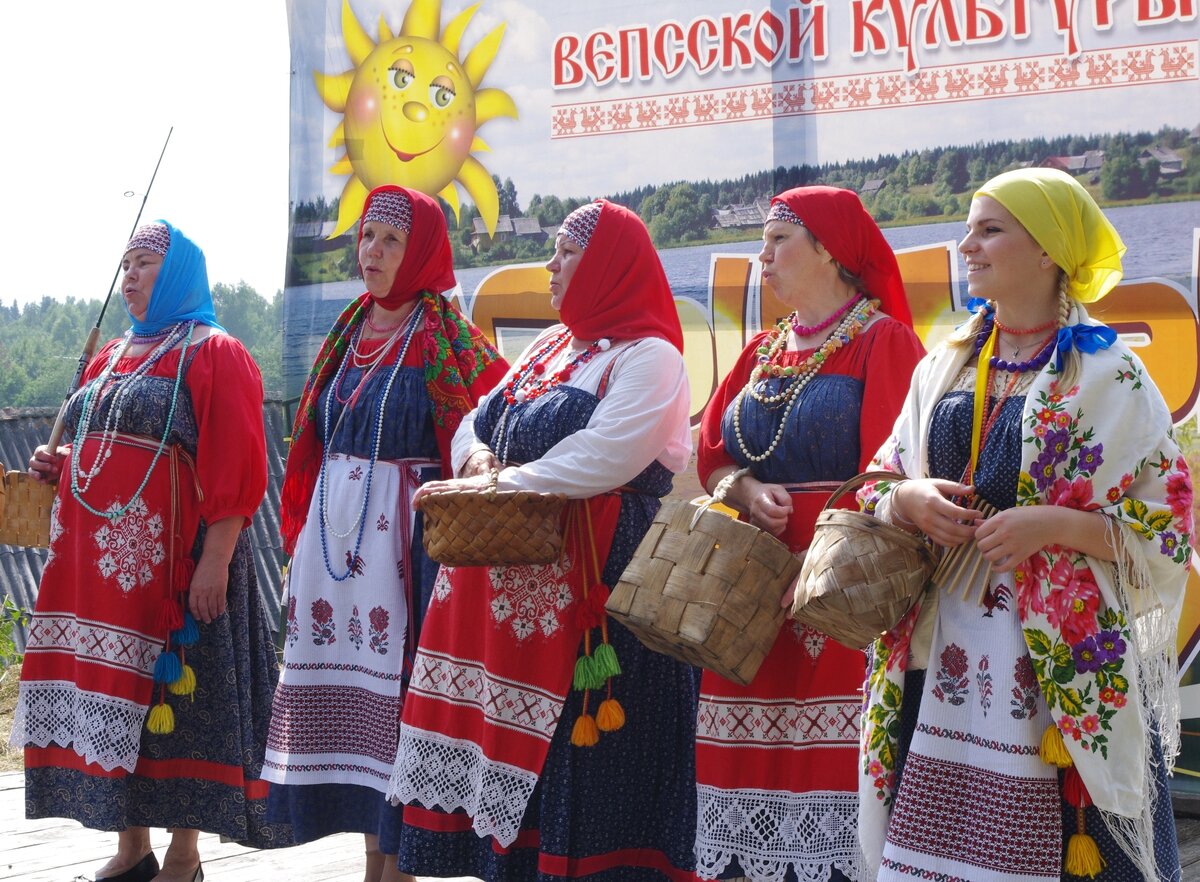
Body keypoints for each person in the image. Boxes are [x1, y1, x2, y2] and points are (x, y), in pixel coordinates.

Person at [857, 167, 1190, 881]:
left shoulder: (1110, 375)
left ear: (1048, 251)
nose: (965, 244)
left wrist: (1054, 527)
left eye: (989, 229)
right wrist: (906, 499)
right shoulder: (945, 362)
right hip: (938, 643)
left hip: (1057, 670)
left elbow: (1170, 527)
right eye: (969, 227)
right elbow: (880, 479)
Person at [387, 199, 697, 880]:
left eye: (566, 251)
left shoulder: (653, 358)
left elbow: (607, 455)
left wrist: (503, 485)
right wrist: (474, 462)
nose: (550, 265)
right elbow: (478, 415)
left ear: (610, 263)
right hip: (511, 594)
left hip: (597, 590)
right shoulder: (553, 346)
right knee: (517, 773)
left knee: (584, 768)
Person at [12, 221, 290, 882]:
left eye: (144, 263)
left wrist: (216, 558)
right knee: (118, 708)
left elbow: (239, 463)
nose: (131, 275)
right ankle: (131, 847)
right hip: (101, 579)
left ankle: (184, 855)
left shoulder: (213, 352)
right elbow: (99, 446)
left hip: (177, 569)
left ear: (178, 274)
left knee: (178, 712)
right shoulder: (112, 355)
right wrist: (62, 463)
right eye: (126, 264)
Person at [263, 184, 507, 882]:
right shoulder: (348, 332)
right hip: (338, 548)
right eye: (367, 236)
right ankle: (375, 862)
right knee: (361, 717)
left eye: (391, 240)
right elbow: (315, 438)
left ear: (423, 250)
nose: (371, 251)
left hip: (408, 554)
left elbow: (493, 419)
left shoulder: (445, 337)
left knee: (401, 703)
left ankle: (393, 871)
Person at [694, 186, 925, 882]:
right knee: (742, 788)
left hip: (837, 598)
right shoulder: (764, 350)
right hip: (751, 595)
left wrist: (825, 548)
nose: (760, 256)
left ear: (829, 249)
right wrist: (737, 485)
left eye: (777, 240)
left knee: (834, 788)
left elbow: (893, 467)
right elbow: (709, 447)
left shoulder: (883, 342)